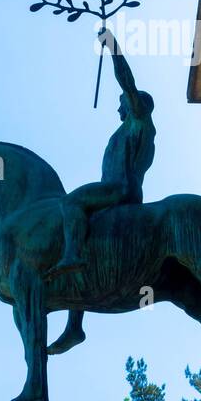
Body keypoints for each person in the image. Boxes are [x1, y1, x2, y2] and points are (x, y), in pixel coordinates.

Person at [52, 27, 155, 274]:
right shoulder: (126, 130)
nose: (118, 107)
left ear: (134, 105)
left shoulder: (139, 122)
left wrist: (113, 47)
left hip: (120, 189)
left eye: (122, 103)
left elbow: (127, 83)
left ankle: (72, 255)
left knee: (72, 201)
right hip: (113, 188)